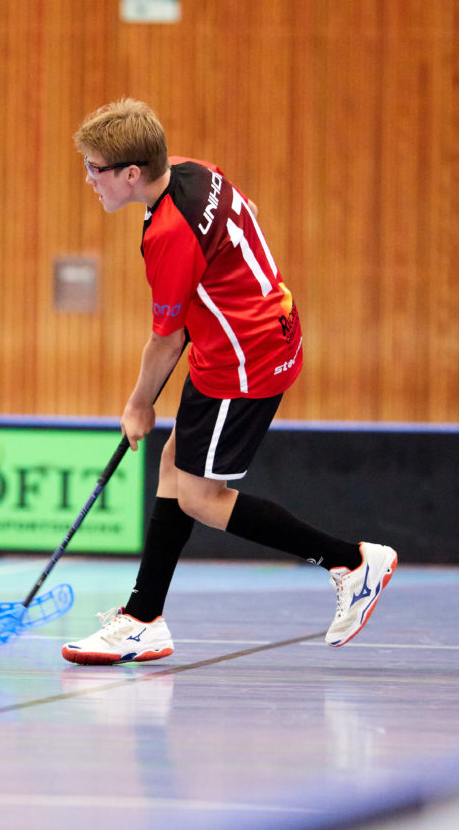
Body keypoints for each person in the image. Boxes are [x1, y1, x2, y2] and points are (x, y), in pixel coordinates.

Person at [61, 98, 396, 665]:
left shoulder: (168, 234)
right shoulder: (193, 171)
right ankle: (143, 619)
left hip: (243, 361)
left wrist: (138, 405)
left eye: (95, 169)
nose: (89, 180)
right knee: (175, 465)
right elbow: (249, 211)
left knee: (199, 497)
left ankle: (351, 562)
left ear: (132, 173)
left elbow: (167, 340)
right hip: (254, 333)